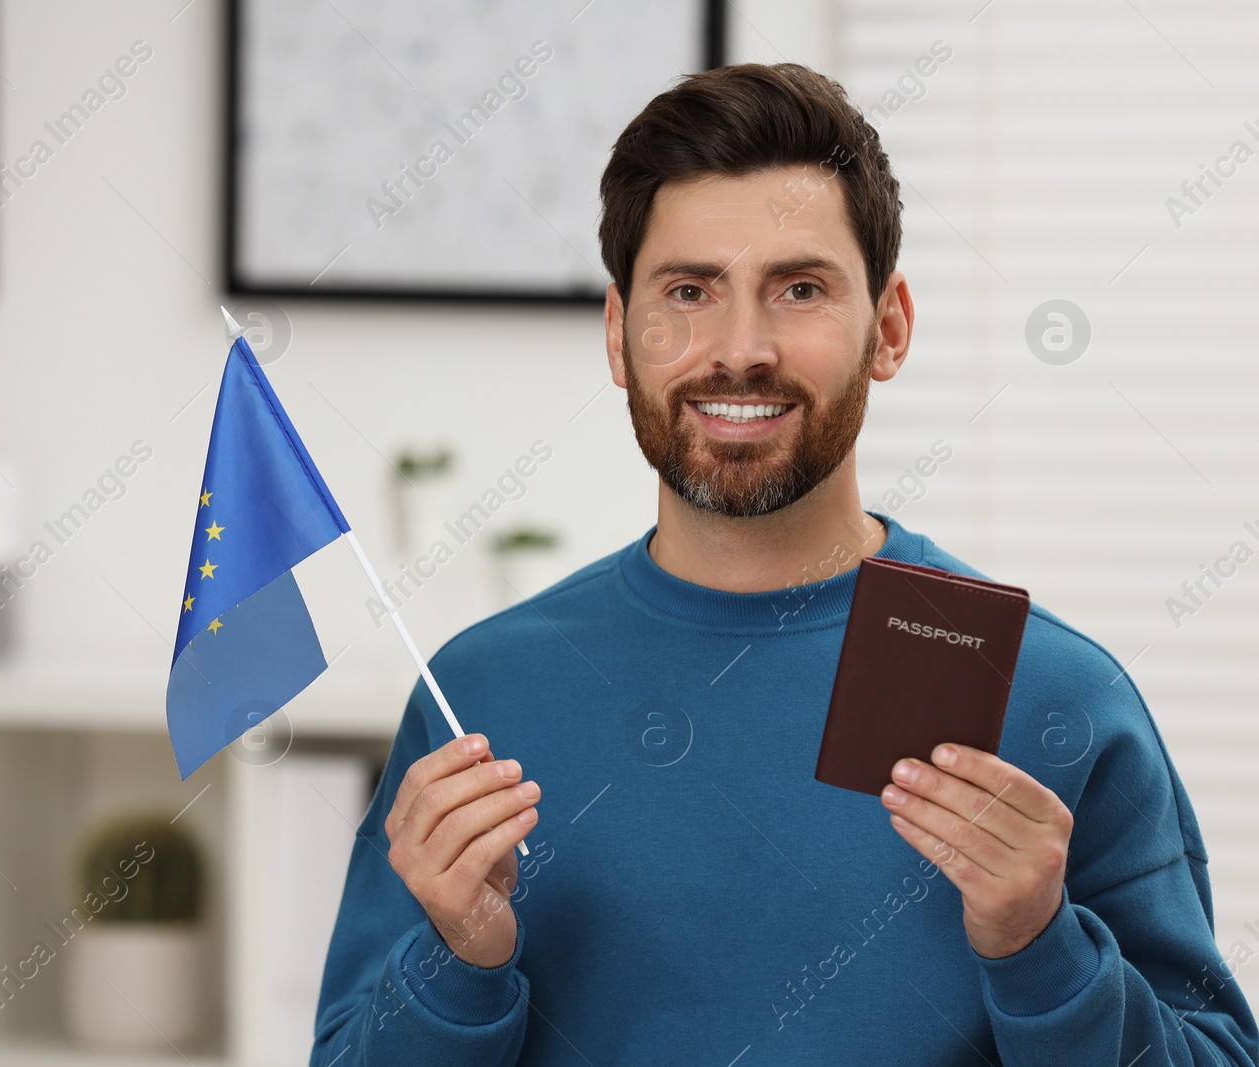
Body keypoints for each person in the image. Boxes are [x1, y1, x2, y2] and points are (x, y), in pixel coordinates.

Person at [309, 63, 1259, 1066]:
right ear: (619, 335)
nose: (741, 348)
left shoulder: (1053, 695)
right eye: (688, 291)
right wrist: (460, 965)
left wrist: (1042, 951)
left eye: (798, 288)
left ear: (886, 327)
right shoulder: (475, 697)